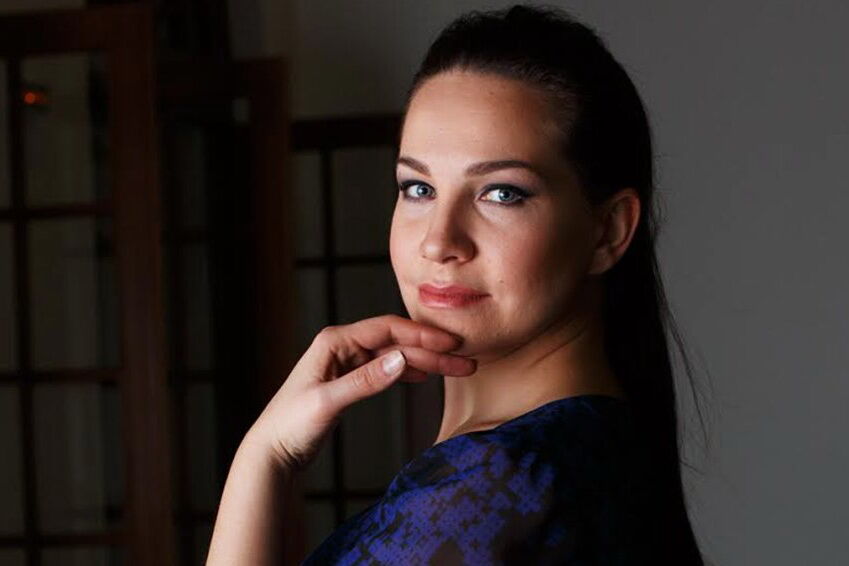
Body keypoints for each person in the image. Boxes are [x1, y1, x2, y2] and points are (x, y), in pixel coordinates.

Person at [206, 4, 706, 565]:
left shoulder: (492, 487)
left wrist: (265, 456)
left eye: (501, 193)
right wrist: (266, 453)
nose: (439, 241)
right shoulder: (593, 456)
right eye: (418, 188)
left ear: (608, 231)